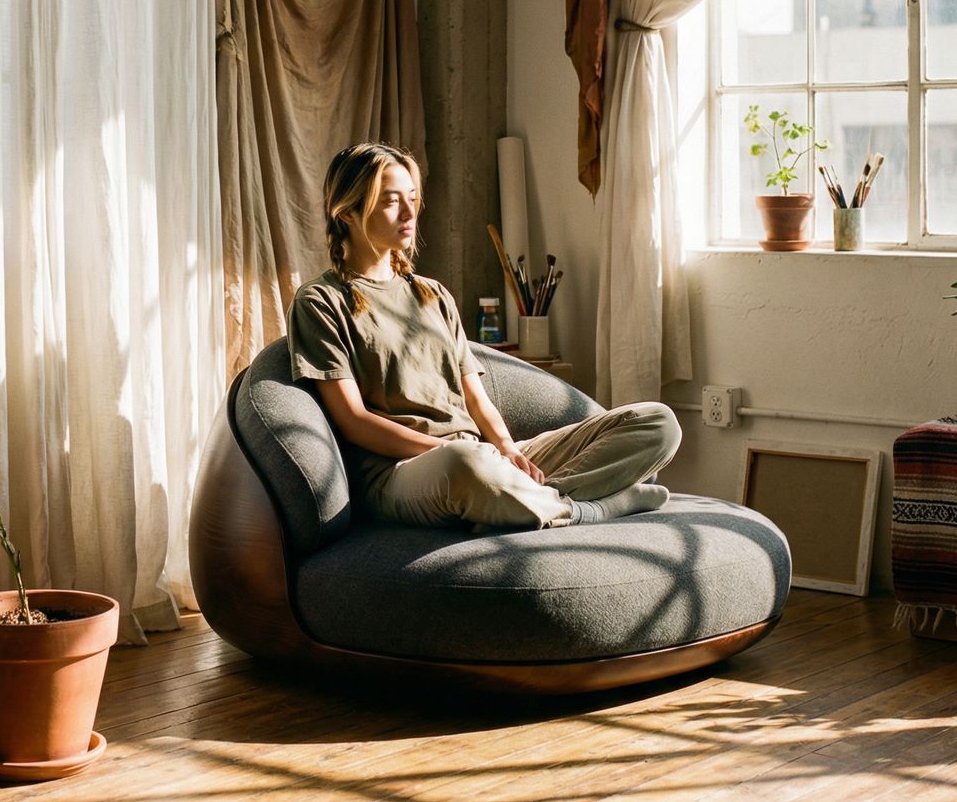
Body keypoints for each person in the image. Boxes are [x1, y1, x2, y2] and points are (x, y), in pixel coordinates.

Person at [286, 141, 681, 531]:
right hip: (405, 472)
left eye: (412, 198)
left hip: (481, 456)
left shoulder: (433, 294)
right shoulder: (320, 301)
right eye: (391, 202)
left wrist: (507, 449)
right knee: (467, 465)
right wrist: (458, 451)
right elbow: (355, 421)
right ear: (348, 213)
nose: (410, 212)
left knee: (658, 423)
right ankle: (595, 508)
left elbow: (475, 397)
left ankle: (531, 503)